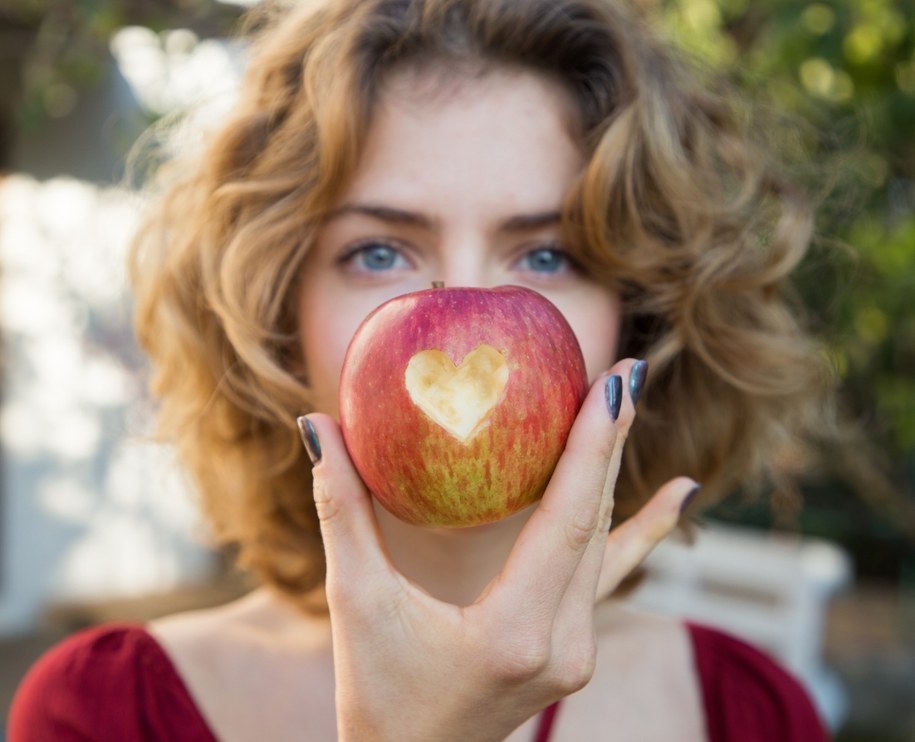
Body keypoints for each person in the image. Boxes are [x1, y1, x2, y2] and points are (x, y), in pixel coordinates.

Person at [9, 0, 836, 739]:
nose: (461, 310)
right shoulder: (106, 713)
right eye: (378, 251)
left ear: (640, 315)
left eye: (548, 253)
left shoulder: (753, 713)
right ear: (277, 313)